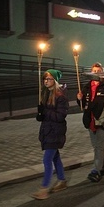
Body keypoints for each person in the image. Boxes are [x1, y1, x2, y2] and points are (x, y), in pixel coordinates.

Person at [76, 62, 104, 183]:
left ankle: (96, 170)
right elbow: (83, 104)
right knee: (97, 146)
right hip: (90, 120)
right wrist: (79, 98)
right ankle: (102, 167)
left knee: (99, 146)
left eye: (98, 71)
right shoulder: (87, 86)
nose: (96, 73)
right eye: (94, 71)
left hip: (103, 120)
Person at [32, 69, 69, 200]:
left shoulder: (60, 96)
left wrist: (46, 112)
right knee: (55, 157)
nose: (46, 81)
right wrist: (40, 114)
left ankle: (44, 188)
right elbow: (45, 114)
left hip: (55, 131)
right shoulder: (46, 94)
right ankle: (62, 180)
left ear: (55, 81)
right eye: (45, 79)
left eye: (49, 79)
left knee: (47, 159)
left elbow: (61, 116)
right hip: (47, 131)